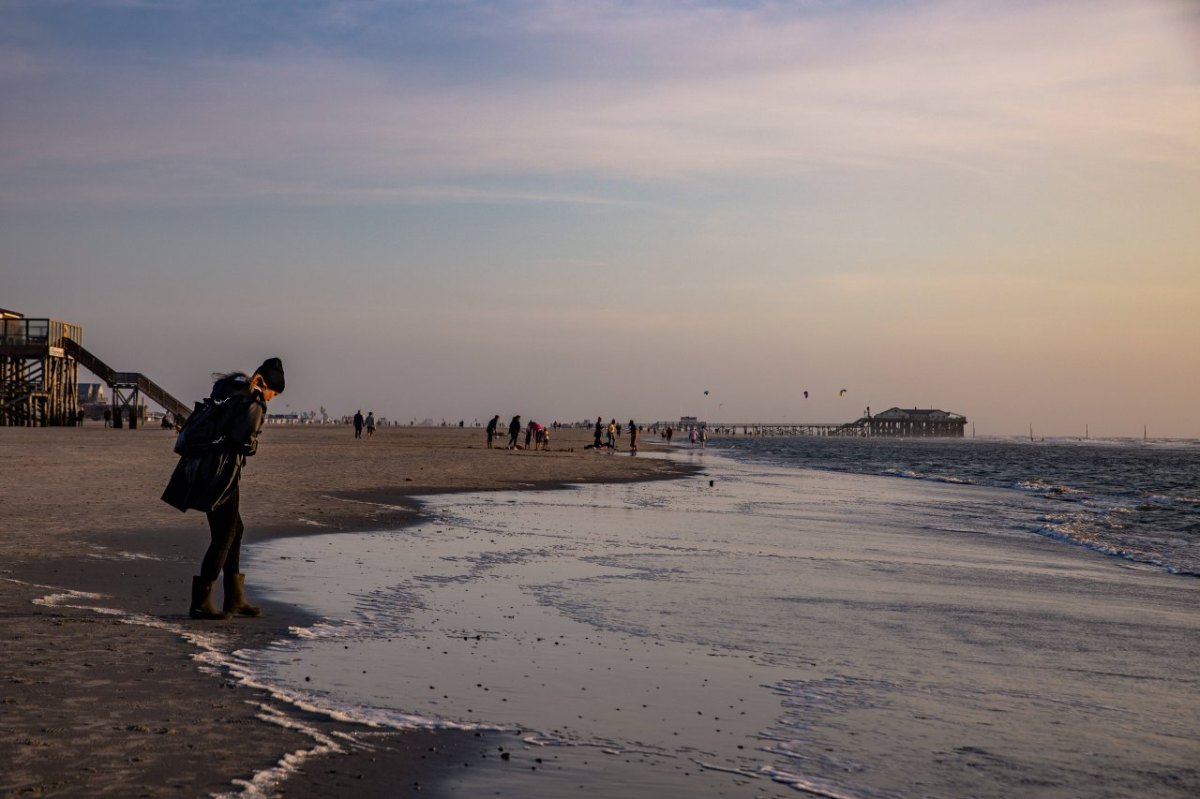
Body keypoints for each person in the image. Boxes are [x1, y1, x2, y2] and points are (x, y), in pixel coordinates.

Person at [162, 357, 284, 620]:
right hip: (221, 474)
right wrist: (254, 445)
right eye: (275, 392)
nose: (273, 397)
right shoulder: (253, 401)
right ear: (268, 386)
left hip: (207, 470)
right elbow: (243, 441)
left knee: (235, 530)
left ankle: (234, 598)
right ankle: (202, 602)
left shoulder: (232, 390)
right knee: (225, 534)